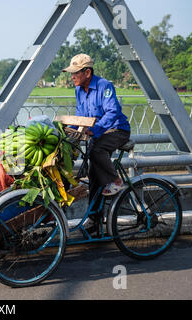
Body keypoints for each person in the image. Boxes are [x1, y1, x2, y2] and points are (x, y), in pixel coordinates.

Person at [62, 54, 131, 232]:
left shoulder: (104, 86)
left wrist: (96, 129)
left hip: (116, 130)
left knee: (96, 151)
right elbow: (81, 116)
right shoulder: (79, 90)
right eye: (71, 73)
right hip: (99, 132)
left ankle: (115, 180)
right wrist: (66, 129)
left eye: (75, 73)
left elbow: (112, 112)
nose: (72, 77)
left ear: (87, 72)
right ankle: (95, 220)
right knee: (93, 176)